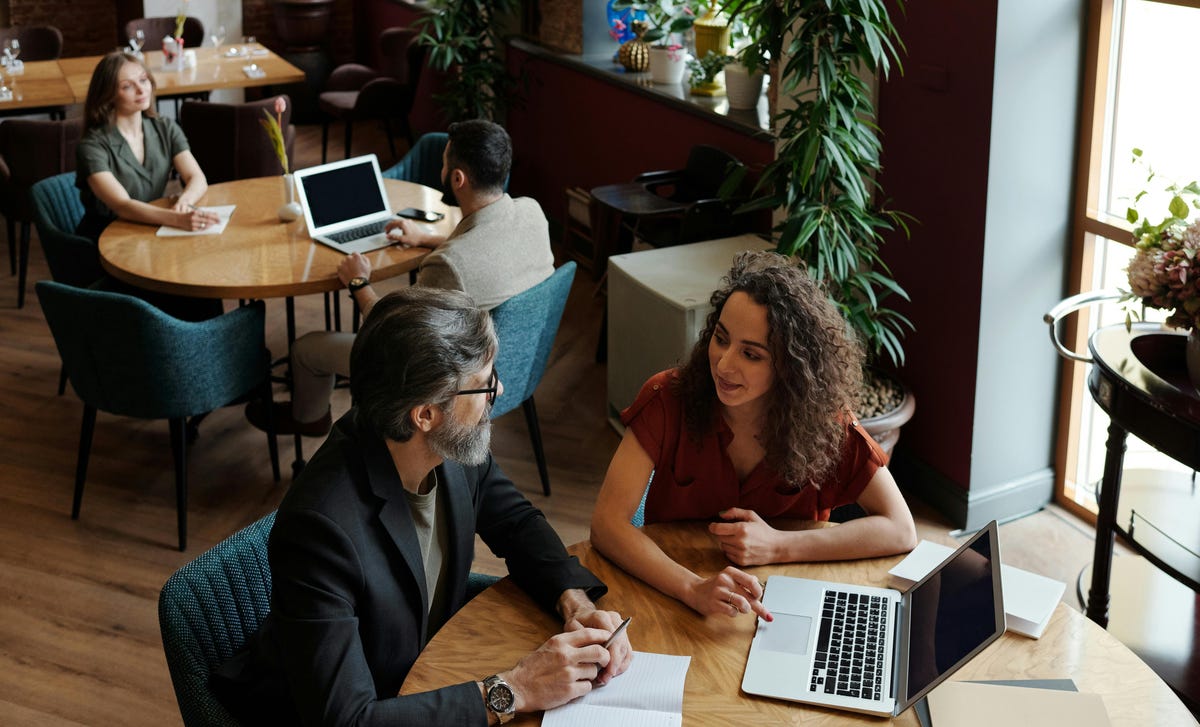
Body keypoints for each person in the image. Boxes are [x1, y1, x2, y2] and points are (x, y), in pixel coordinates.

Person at [212, 286, 632, 725]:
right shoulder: (319, 530)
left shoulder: (448, 444)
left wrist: (575, 602)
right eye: (484, 382)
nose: (499, 389)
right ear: (426, 414)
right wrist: (515, 689)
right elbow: (347, 719)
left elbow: (516, 522)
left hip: (423, 671)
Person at [590, 251, 917, 620]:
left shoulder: (827, 423)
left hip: (787, 605)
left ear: (791, 366)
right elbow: (606, 524)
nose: (725, 364)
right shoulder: (667, 397)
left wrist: (780, 545)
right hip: (673, 593)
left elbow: (901, 529)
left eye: (752, 354)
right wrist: (691, 587)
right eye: (721, 338)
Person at [246, 119, 554, 436]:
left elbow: (394, 332)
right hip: (514, 370)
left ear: (458, 179)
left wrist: (358, 283)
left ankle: (308, 419)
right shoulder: (532, 212)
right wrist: (427, 238)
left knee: (307, 349)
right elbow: (490, 250)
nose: (442, 171)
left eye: (444, 164)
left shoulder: (449, 266)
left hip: (447, 387)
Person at [75, 50, 220, 243]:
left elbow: (196, 177)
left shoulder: (165, 127)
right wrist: (177, 219)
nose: (141, 90)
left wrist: (185, 203)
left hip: (148, 230)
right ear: (108, 95)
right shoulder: (92, 146)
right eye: (127, 86)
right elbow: (122, 205)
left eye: (143, 80)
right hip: (105, 240)